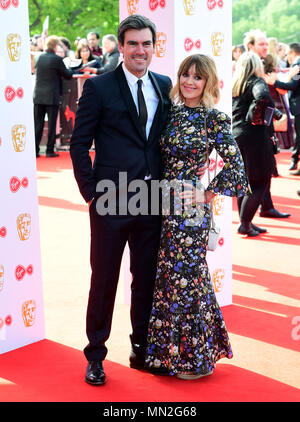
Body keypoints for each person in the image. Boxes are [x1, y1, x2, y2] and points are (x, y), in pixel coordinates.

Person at [70, 15, 173, 386]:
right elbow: (78, 143)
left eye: (146, 43)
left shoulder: (164, 85)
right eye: (133, 44)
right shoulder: (99, 87)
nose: (140, 50)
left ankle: (141, 348)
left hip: (151, 198)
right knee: (105, 279)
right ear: (121, 45)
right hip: (111, 199)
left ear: (153, 46)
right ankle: (95, 355)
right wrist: (91, 192)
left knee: (145, 279)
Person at [145, 54, 249, 380]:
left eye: (197, 77)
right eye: (185, 75)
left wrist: (206, 193)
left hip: (190, 214)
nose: (190, 81)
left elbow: (236, 165)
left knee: (188, 281)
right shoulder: (168, 114)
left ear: (208, 82)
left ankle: (194, 358)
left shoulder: (212, 119)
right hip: (159, 207)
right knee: (164, 282)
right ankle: (164, 356)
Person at [232, 52, 282, 236]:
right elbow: (262, 97)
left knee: (245, 181)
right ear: (256, 66)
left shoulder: (237, 84)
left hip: (237, 136)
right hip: (254, 138)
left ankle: (246, 222)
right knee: (260, 181)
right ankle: (245, 224)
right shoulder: (257, 82)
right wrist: (256, 116)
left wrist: (267, 111)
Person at [244, 29, 290, 218]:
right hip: (253, 127)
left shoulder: (266, 64)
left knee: (265, 168)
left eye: (265, 43)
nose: (265, 47)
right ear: (251, 46)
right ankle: (247, 219)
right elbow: (256, 99)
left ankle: (265, 206)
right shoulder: (247, 68)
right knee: (257, 172)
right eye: (261, 44)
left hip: (263, 124)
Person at [33, 35, 74, 157]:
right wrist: (70, 67)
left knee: (38, 124)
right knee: (51, 124)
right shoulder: (56, 59)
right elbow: (67, 75)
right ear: (55, 46)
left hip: (38, 95)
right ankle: (50, 150)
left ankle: (34, 150)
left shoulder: (37, 57)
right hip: (51, 96)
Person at [265, 43, 300, 174]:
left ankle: (294, 160)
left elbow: (292, 85)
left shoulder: (297, 65)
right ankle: (295, 160)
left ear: (292, 53)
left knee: (298, 137)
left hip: (297, 107)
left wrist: (274, 82)